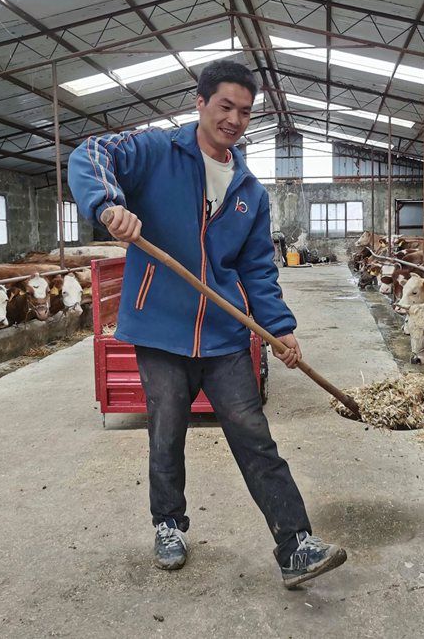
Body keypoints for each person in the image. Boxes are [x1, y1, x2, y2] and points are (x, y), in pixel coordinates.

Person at [67, 60, 346, 588]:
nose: (235, 120)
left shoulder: (250, 190)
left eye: (245, 111)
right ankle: (169, 525)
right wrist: (108, 205)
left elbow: (258, 268)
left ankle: (295, 545)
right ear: (200, 102)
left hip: (223, 335)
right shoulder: (156, 151)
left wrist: (279, 327)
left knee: (254, 437)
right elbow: (90, 153)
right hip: (159, 330)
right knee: (166, 433)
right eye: (225, 106)